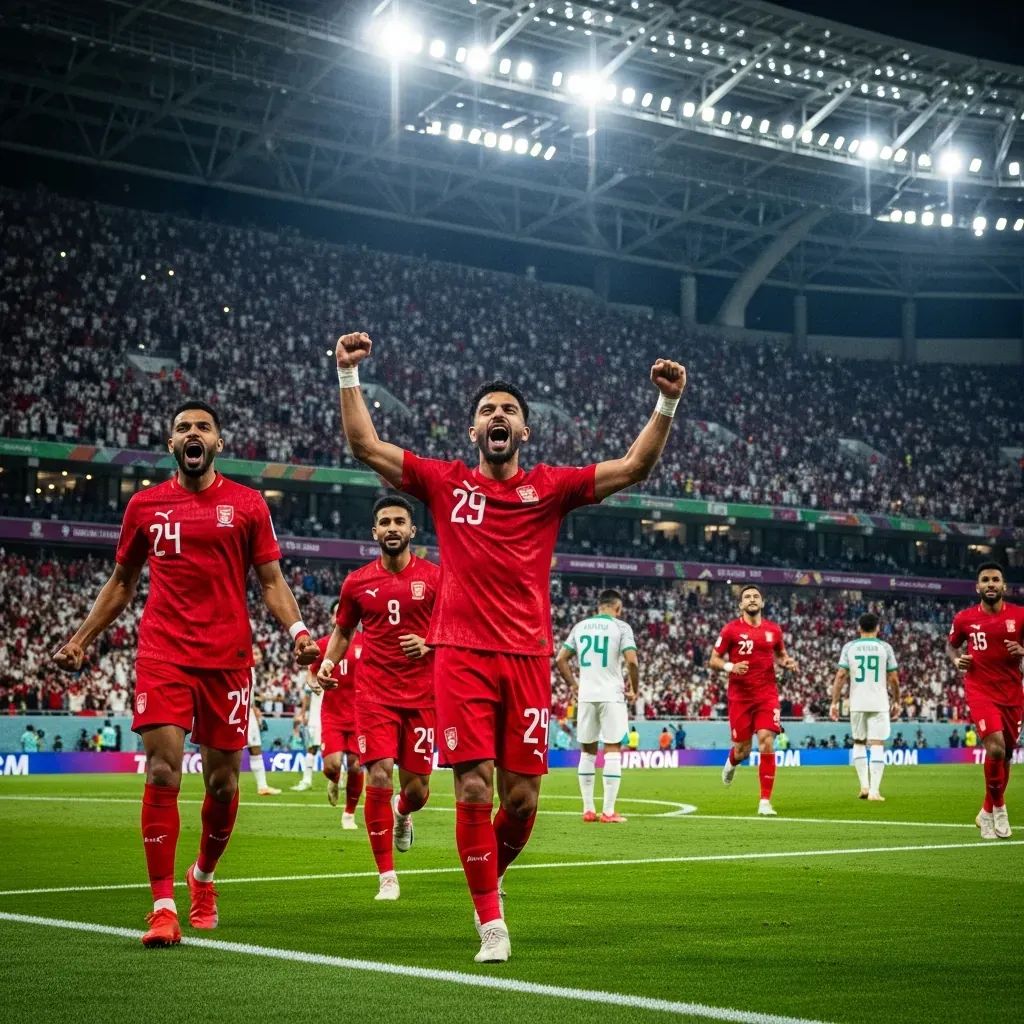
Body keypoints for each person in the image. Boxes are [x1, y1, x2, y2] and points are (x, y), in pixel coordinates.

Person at [334, 329, 685, 962]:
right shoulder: (444, 484)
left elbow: (634, 468)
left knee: (520, 803)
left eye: (510, 411)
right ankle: (491, 924)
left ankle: (486, 875)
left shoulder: (550, 487)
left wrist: (665, 404)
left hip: (527, 656)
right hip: (460, 653)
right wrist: (347, 374)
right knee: (474, 789)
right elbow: (365, 445)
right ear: (473, 433)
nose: (499, 416)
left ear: (524, 431)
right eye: (487, 412)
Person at [52, 399, 319, 948]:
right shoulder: (145, 507)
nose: (192, 434)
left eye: (202, 427)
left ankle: (202, 878)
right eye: (182, 428)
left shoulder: (246, 505)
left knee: (222, 784)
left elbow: (271, 582)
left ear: (218, 443)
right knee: (162, 773)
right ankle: (162, 907)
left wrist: (296, 633)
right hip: (163, 653)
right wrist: (81, 638)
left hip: (228, 660)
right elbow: (123, 583)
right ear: (171, 444)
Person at [319, 495, 440, 901]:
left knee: (418, 790)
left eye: (399, 521)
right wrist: (328, 664)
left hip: (423, 696)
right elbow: (342, 633)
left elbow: (456, 628)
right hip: (374, 696)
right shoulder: (357, 582)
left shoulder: (437, 579)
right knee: (379, 774)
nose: (392, 528)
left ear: (411, 531)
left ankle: (403, 814)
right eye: (385, 522)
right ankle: (386, 875)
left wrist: (428, 643)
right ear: (375, 532)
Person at [947, 562, 1024, 840]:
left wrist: (1023, 652)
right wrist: (958, 660)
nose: (990, 584)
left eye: (995, 580)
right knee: (995, 749)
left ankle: (985, 811)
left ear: (1004, 586)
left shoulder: (1021, 615)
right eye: (985, 580)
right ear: (977, 586)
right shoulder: (964, 618)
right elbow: (951, 645)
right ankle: (1000, 809)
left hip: (1013, 693)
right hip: (980, 690)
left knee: (1006, 754)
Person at [709, 584, 798, 816]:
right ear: (741, 604)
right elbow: (714, 659)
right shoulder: (730, 630)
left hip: (767, 695)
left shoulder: (773, 630)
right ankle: (731, 763)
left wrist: (787, 662)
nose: (751, 599)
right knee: (743, 750)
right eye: (747, 596)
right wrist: (731, 666)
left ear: (762, 602)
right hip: (739, 697)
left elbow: (780, 654)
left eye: (755, 596)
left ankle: (765, 801)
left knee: (767, 740)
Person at [556, 589, 638, 823]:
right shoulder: (621, 627)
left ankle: (588, 809)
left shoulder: (580, 627)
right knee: (612, 748)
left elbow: (560, 658)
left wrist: (573, 684)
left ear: (598, 607)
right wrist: (635, 688)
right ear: (618, 608)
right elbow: (632, 660)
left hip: (586, 695)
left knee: (588, 751)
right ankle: (609, 812)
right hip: (611, 695)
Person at [829, 612, 900, 801]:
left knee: (859, 742)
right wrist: (897, 701)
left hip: (857, 702)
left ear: (859, 628)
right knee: (877, 743)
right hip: (879, 702)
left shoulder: (849, 647)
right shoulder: (885, 647)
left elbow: (841, 675)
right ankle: (875, 792)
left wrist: (834, 702)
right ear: (878, 628)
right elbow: (893, 678)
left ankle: (864, 787)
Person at [311, 616, 365, 830]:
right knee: (332, 766)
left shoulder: (366, 642)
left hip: (360, 715)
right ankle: (334, 780)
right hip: (332, 714)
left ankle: (349, 814)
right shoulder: (325, 644)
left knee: (356, 765)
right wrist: (313, 683)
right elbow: (312, 672)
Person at [245, 651, 280, 796]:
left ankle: (262, 786)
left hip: (249, 710)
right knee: (231, 750)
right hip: (239, 711)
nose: (260, 657)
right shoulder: (242, 665)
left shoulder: (252, 669)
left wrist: (254, 708)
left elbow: (249, 692)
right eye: (257, 653)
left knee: (255, 747)